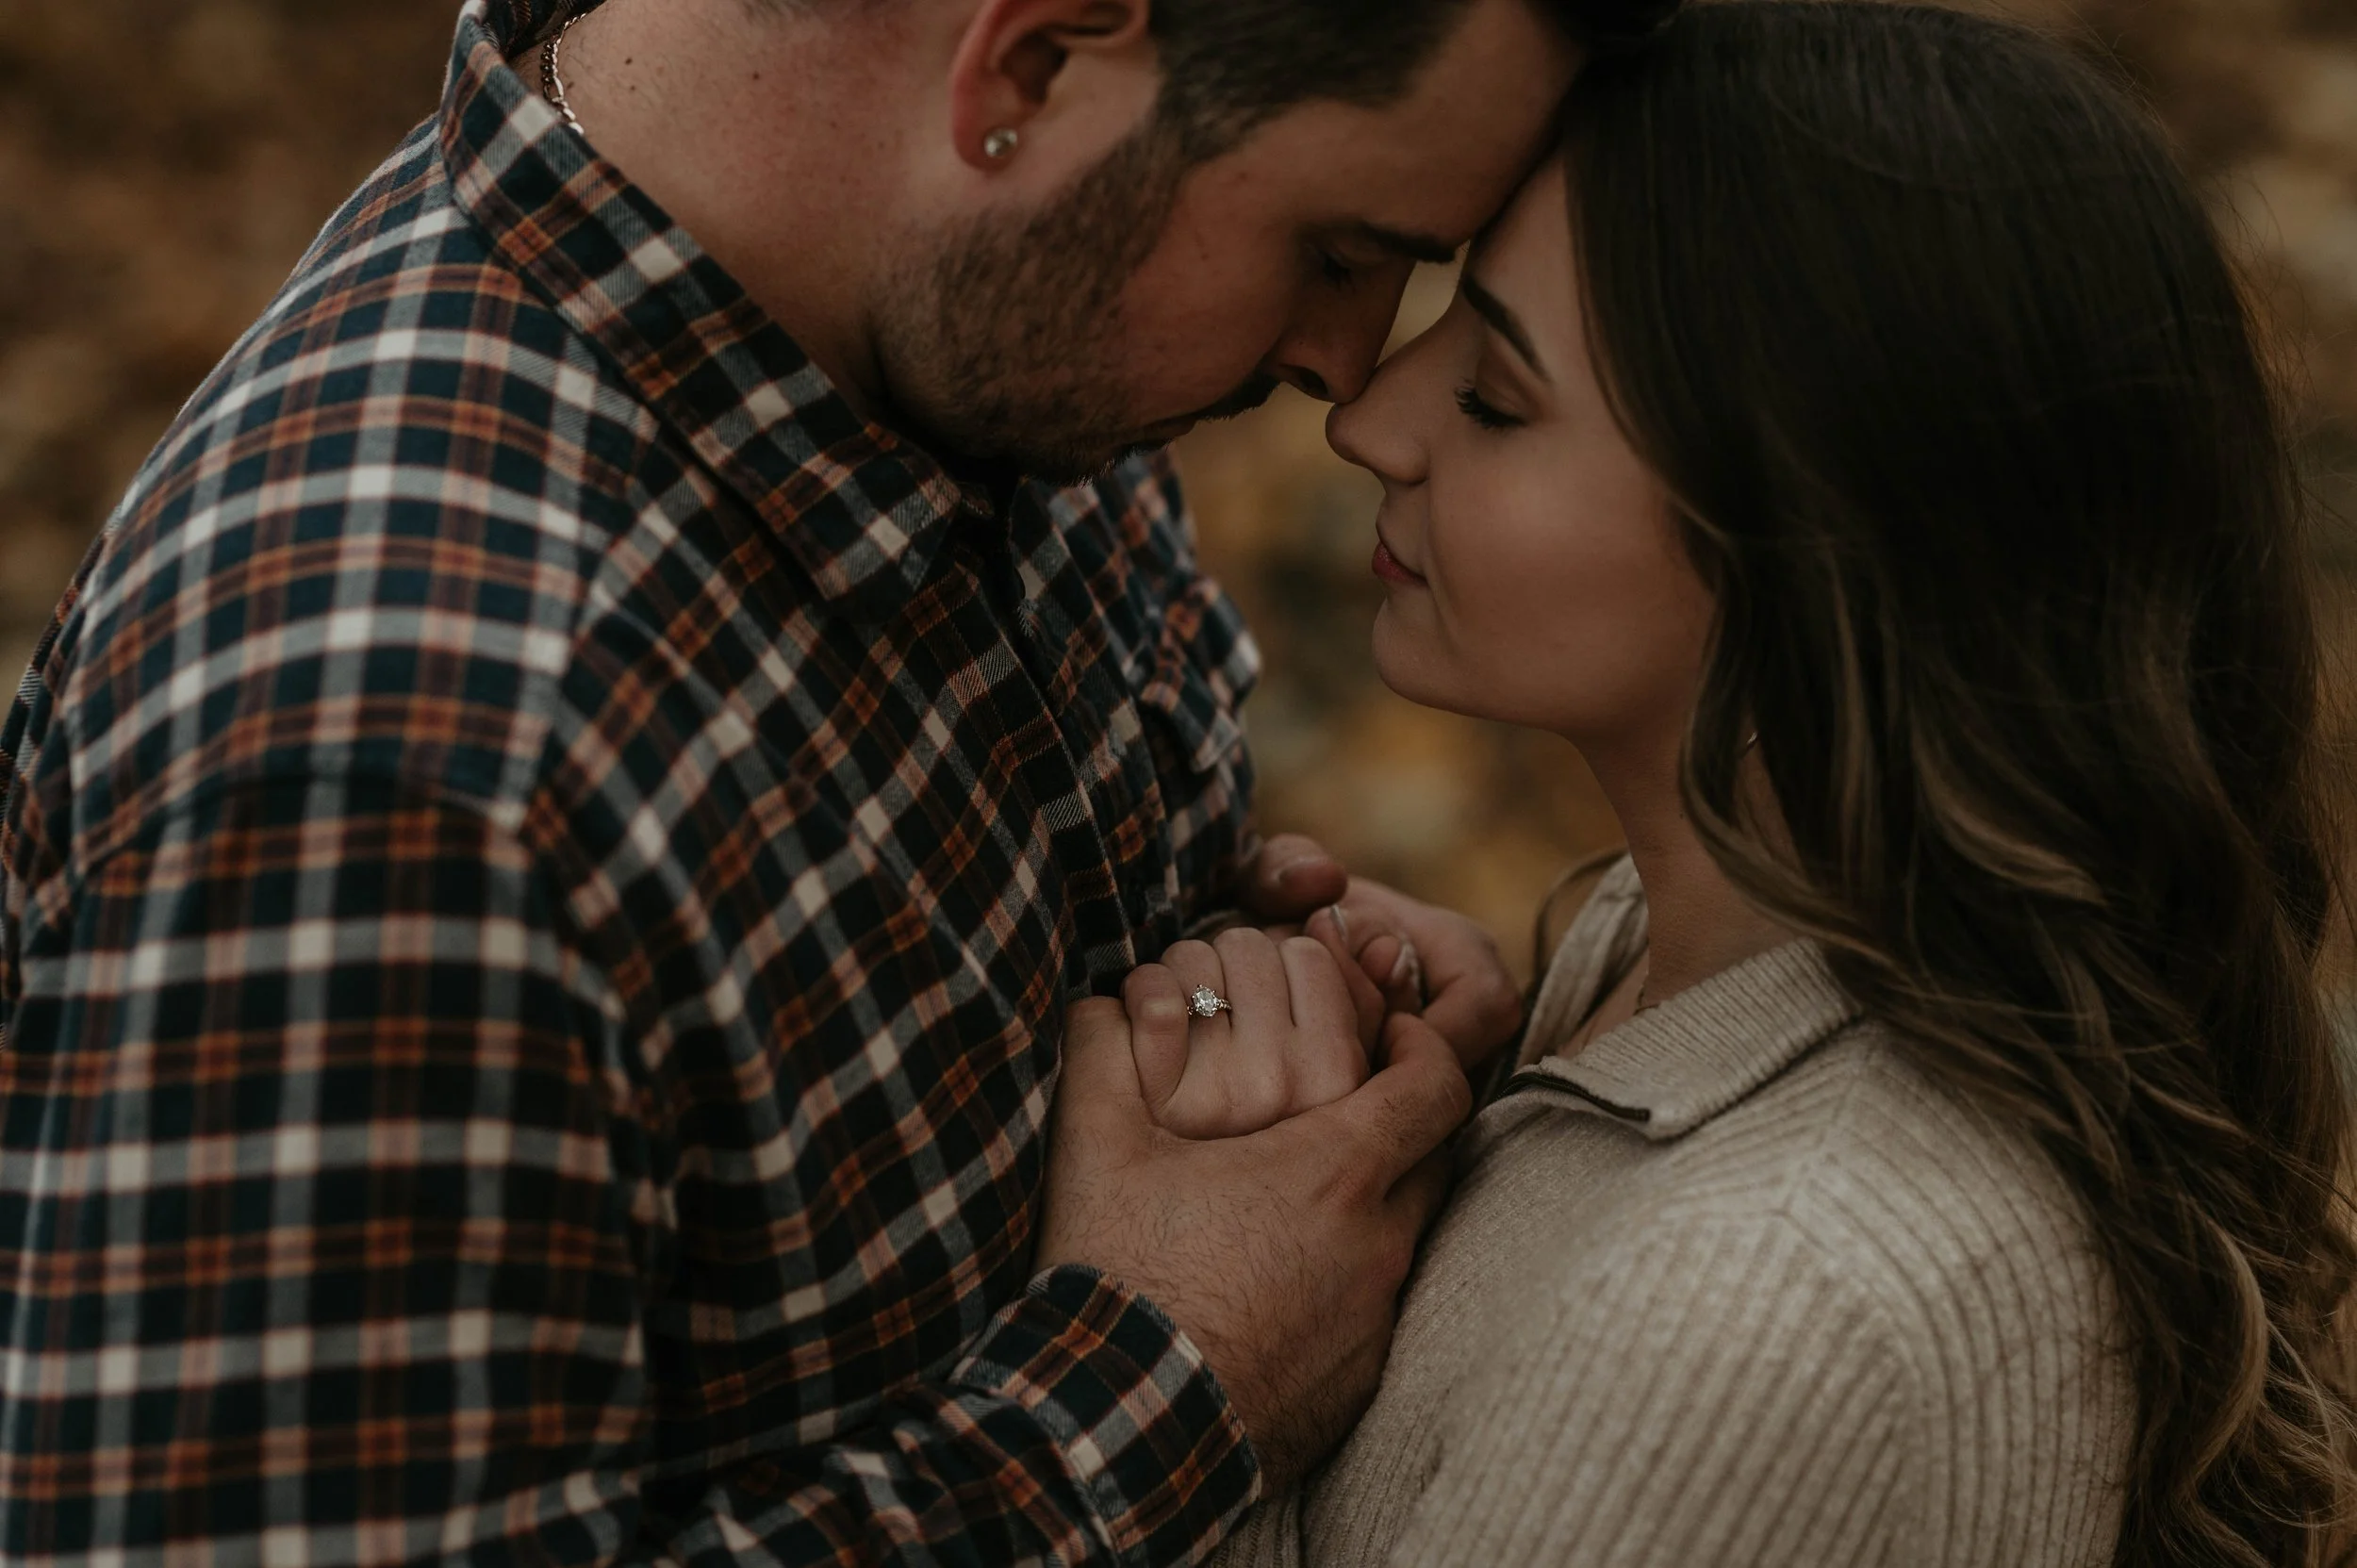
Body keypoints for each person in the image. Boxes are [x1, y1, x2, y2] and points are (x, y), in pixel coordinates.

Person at [0, 0, 1677, 1563]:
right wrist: (1165, 1378)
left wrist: (1298, 1025)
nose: (1345, 366)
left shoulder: (957, 320)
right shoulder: (409, 792)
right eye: (1338, 251)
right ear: (1022, 65)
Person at [1073, 5, 2353, 1563]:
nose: (1370, 418)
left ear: (1818, 565)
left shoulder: (1760, 1309)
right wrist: (1411, 1102)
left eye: (1496, 400)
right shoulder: (1704, 951)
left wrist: (1150, 1358)